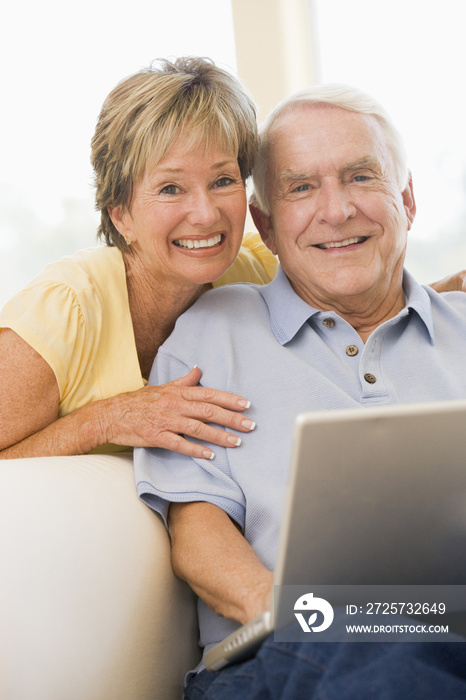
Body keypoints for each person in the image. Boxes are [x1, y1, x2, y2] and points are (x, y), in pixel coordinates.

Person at [134, 84, 466, 698]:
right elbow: (196, 527)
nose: (337, 211)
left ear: (408, 199)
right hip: (286, 655)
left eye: (361, 177)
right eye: (302, 188)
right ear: (266, 222)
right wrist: (297, 610)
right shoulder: (215, 331)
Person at [0, 57, 278, 459]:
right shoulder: (63, 311)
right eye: (170, 188)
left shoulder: (263, 274)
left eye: (222, 181)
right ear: (120, 214)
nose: (205, 214)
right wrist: (104, 420)